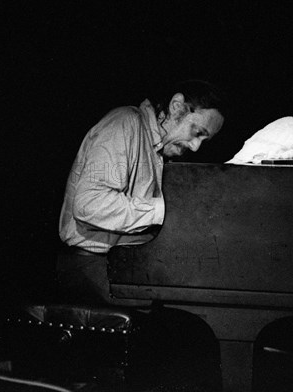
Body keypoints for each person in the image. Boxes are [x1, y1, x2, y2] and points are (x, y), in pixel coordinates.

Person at [57, 80, 226, 304]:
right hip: (89, 269)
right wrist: (163, 210)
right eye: (197, 132)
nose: (195, 147)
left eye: (204, 140)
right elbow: (90, 204)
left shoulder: (156, 148)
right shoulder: (123, 124)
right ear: (176, 106)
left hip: (120, 266)